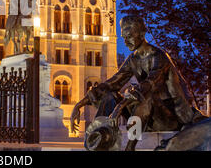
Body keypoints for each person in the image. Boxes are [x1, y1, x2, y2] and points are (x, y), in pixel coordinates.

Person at [70, 16, 206, 151]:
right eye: (123, 37)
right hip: (147, 117)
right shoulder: (133, 59)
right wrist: (79, 104)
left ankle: (130, 147)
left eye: (129, 36)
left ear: (141, 33)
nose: (126, 41)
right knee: (109, 95)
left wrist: (119, 107)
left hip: (171, 118)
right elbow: (112, 84)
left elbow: (149, 84)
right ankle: (100, 138)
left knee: (144, 94)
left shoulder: (158, 57)